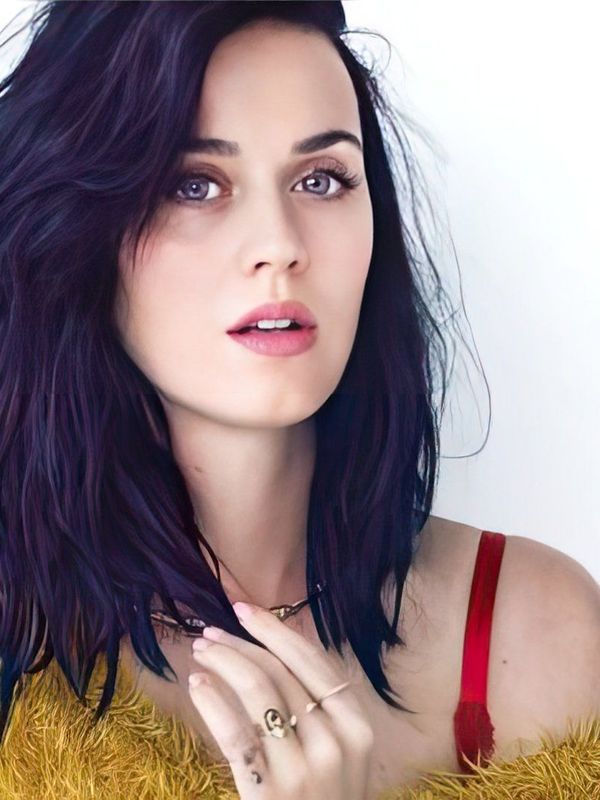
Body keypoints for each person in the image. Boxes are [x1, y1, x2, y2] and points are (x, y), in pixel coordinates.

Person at [0, 2, 598, 799]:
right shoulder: (22, 638)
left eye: (321, 180)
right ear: (82, 230)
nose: (280, 244)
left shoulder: (543, 633)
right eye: (194, 184)